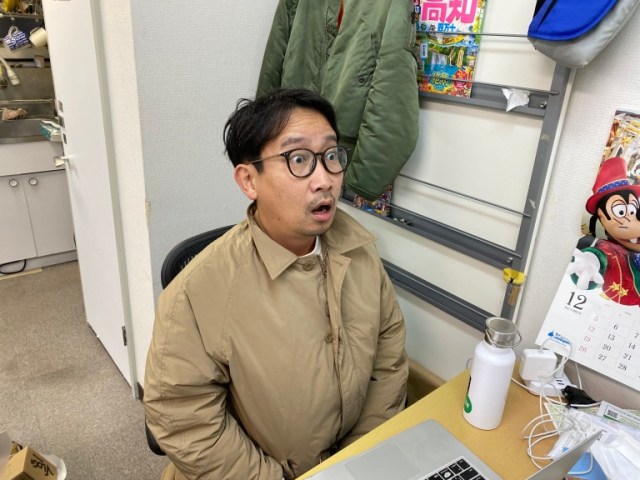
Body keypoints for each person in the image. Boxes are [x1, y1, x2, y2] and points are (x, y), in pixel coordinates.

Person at [143, 88, 409, 480]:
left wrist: (358, 458)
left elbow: (388, 357)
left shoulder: (360, 251)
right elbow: (183, 418)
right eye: (298, 159)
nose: (325, 179)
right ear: (249, 180)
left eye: (331, 156)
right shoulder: (195, 292)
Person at [569, 156, 640, 304]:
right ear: (601, 218)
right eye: (621, 212)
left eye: (633, 210)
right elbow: (605, 255)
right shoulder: (616, 252)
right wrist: (591, 261)